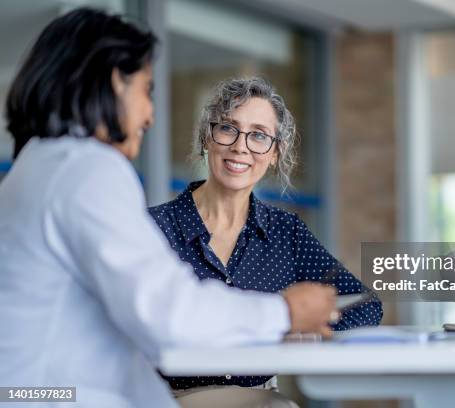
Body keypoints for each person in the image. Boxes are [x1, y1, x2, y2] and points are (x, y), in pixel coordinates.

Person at [0, 8, 337, 408]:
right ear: (114, 82)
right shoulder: (88, 170)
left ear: (277, 153)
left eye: (259, 136)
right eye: (146, 90)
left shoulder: (37, 166)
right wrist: (282, 312)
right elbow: (169, 314)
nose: (150, 114)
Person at [148, 77, 384, 397]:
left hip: (258, 398)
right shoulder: (153, 227)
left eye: (259, 135)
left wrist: (303, 327)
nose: (240, 146)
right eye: (228, 128)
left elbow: (365, 304)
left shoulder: (286, 233)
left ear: (275, 153)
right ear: (207, 137)